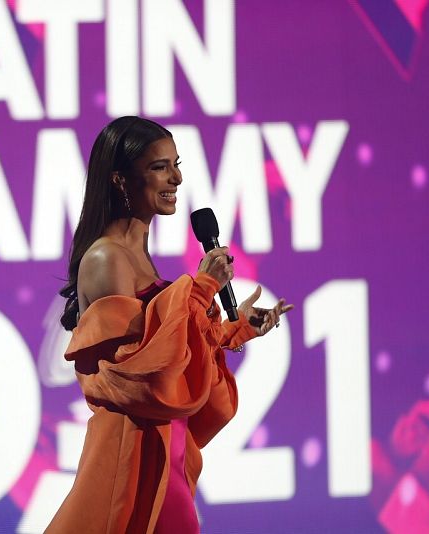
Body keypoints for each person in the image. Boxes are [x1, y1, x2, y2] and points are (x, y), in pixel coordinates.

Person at [47, 116, 293, 533]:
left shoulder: (136, 255)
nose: (176, 177)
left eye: (176, 164)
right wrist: (201, 289)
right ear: (122, 180)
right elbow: (139, 371)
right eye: (159, 167)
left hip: (164, 446)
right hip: (130, 452)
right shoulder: (107, 259)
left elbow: (166, 343)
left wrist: (234, 329)